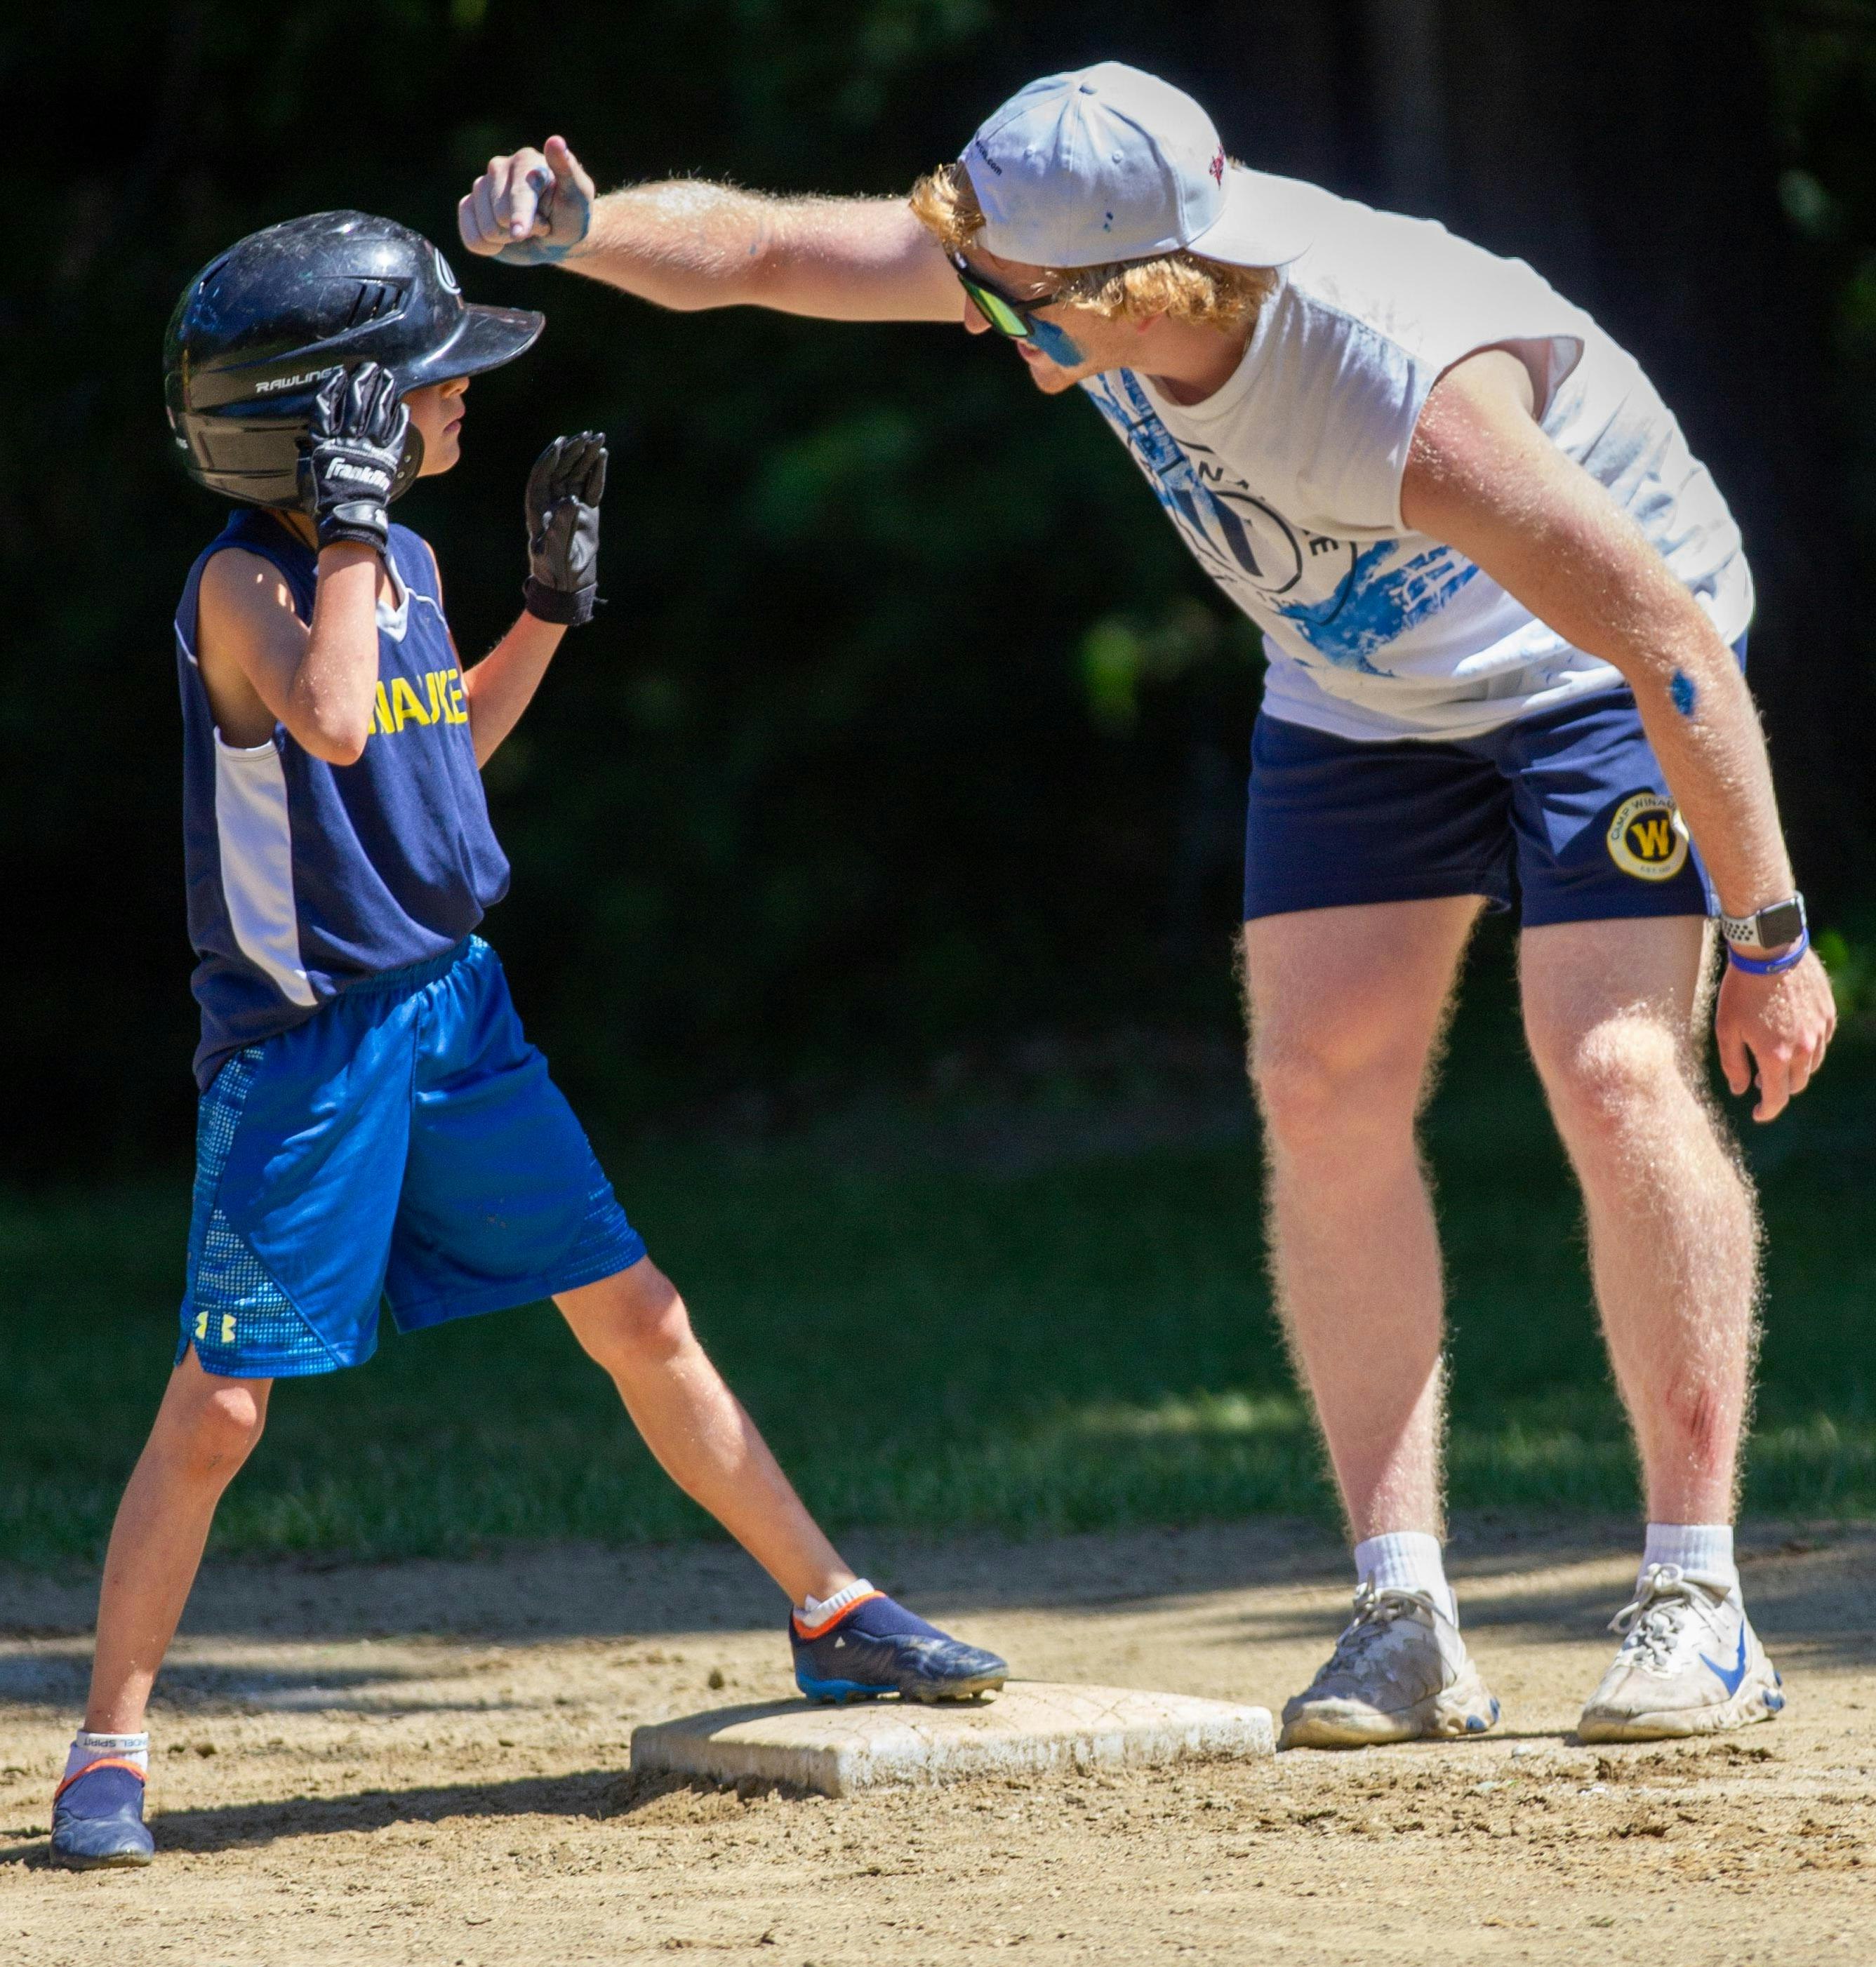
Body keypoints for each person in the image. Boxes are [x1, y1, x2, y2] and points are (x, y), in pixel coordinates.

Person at [458, 60, 1835, 1752]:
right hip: (1356, 686)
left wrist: (1768, 937)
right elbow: (761, 252)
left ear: (1140, 286)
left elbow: (1665, 641)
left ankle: (1696, 1600)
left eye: (1005, 298)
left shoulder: (1399, 390)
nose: (976, 317)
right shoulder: (1053, 266)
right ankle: (1401, 1615)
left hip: (1584, 671)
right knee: (1316, 1083)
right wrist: (584, 229)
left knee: (1611, 1068)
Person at [50, 211, 1005, 1872]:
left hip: (455, 1011)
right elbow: (329, 718)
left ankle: (830, 1605)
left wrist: (548, 610)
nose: (455, 398)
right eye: (419, 384)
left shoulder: (406, 568)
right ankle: (106, 1749)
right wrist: (351, 526)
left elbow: (434, 745)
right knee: (221, 1412)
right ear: (322, 425)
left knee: (638, 1312)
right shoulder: (242, 584)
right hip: (306, 1050)